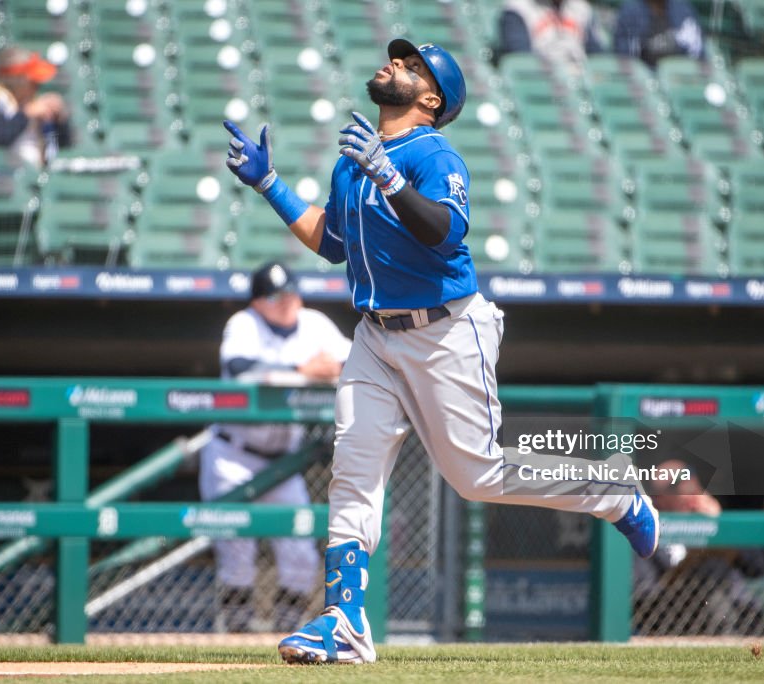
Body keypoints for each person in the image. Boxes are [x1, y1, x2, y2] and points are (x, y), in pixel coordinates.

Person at [222, 39, 659, 665]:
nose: (393, 64)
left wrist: (390, 175)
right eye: (397, 58)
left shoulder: (434, 153)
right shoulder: (355, 157)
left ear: (431, 98)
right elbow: (333, 243)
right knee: (353, 468)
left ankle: (614, 493)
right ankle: (343, 622)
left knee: (476, 476)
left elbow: (444, 230)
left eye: (411, 66)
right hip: (374, 335)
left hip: (446, 332)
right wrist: (269, 183)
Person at [198, 261, 352, 633]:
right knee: (237, 553)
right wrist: (303, 370)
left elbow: (354, 358)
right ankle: (236, 636)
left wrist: (321, 368)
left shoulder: (314, 323)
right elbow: (241, 368)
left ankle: (286, 633)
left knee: (300, 556)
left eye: (291, 292)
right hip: (233, 455)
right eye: (275, 296)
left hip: (284, 464)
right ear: (256, 302)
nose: (286, 301)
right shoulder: (243, 325)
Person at [634, 460, 764, 635]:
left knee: (715, 571)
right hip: (677, 615)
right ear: (658, 499)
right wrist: (688, 567)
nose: (691, 497)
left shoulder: (711, 521)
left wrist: (720, 525)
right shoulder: (644, 532)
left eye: (694, 490)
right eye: (679, 491)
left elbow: (758, 566)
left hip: (733, 606)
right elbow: (645, 596)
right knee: (710, 568)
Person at [0, 46, 71, 168]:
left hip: (36, 178)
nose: (37, 87)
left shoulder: (31, 103)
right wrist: (26, 114)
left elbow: (62, 150)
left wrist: (59, 122)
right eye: (33, 83)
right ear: (16, 80)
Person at [496, 0, 605, 69]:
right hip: (542, 79)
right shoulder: (517, 8)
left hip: (580, 76)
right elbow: (522, 58)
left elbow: (596, 55)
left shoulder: (581, 8)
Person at [613, 0, 705, 68]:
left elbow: (697, 53)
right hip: (646, 78)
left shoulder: (683, 10)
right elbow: (625, 57)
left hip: (679, 78)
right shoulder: (630, 11)